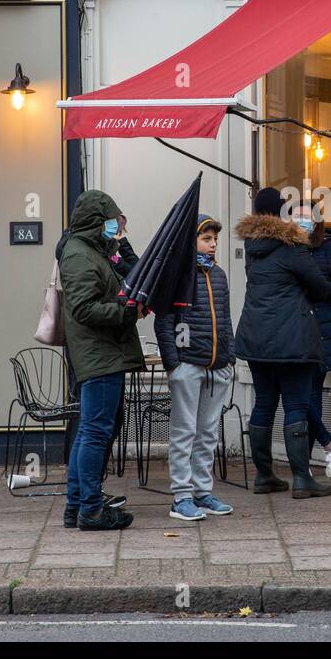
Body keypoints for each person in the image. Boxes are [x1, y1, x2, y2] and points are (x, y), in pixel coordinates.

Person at [235, 187, 331, 498]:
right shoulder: (293, 248)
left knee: (264, 402)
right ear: (281, 214)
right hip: (292, 338)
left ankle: (265, 476)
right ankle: (302, 478)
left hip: (256, 336)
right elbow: (320, 286)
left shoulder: (253, 247)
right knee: (296, 403)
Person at [58, 190, 144, 531]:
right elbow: (83, 308)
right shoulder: (80, 256)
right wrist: (127, 311)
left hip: (100, 353)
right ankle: (91, 509)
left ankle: (77, 504)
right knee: (95, 433)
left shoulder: (88, 250)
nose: (116, 228)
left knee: (88, 433)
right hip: (100, 355)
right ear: (97, 221)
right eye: (112, 221)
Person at [154, 214, 237, 521]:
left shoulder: (219, 275)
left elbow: (225, 318)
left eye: (215, 239)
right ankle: (181, 496)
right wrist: (173, 364)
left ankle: (202, 492)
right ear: (191, 242)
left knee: (206, 434)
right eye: (207, 239)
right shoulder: (175, 276)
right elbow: (163, 320)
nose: (214, 244)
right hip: (188, 365)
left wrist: (230, 356)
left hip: (216, 365)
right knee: (184, 432)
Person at [302, 202, 331, 478]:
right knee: (300, 396)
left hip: (321, 330)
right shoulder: (287, 249)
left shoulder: (329, 248)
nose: (302, 223)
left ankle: (306, 461)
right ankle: (328, 442)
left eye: (307, 218)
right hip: (294, 329)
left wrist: (320, 288)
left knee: (310, 395)